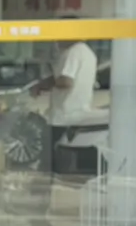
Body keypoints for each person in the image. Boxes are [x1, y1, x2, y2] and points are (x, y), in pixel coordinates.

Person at [30, 17, 98, 170]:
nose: (56, 38)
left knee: (51, 161)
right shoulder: (88, 53)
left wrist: (43, 85)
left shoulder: (73, 53)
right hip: (78, 113)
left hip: (64, 116)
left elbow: (66, 81)